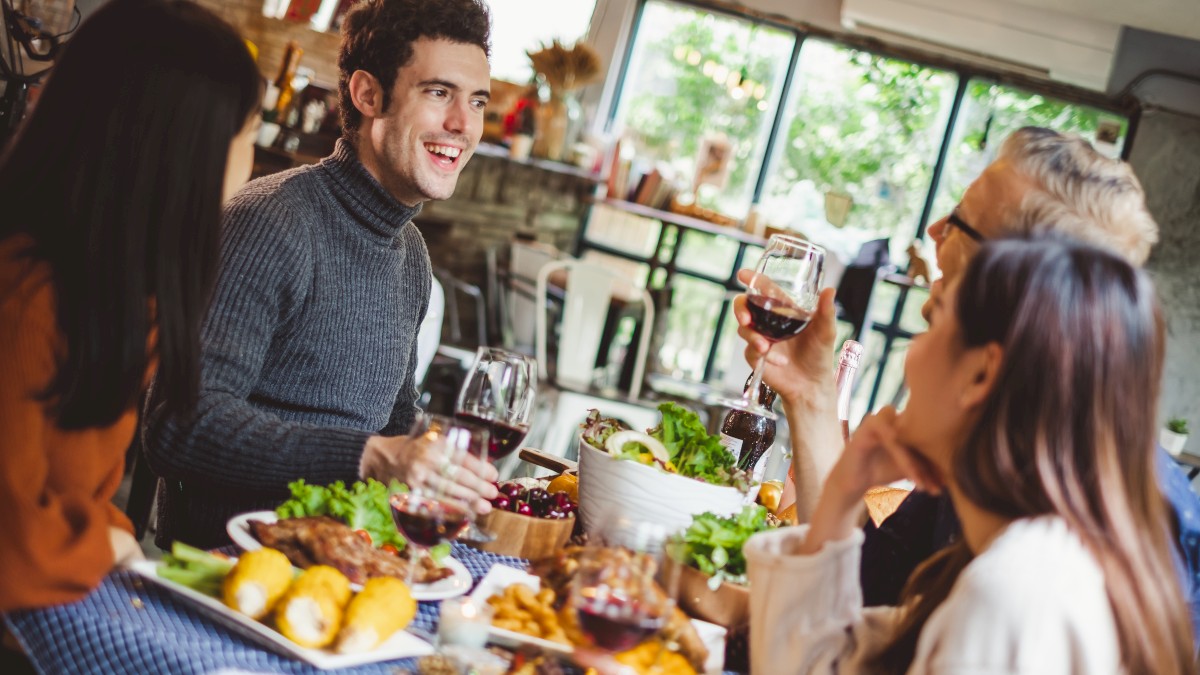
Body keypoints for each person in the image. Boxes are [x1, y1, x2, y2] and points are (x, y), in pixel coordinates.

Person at [735, 127, 1200, 622]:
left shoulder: (1099, 543)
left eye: (958, 221)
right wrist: (809, 398)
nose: (933, 231)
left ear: (1021, 274)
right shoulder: (1002, 442)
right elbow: (868, 589)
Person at [745, 237, 1195, 674]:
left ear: (981, 374)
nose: (912, 355)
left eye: (934, 324)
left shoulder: (1010, 597)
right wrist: (842, 492)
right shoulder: (1030, 560)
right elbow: (821, 664)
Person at [142, 0, 499, 549]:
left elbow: (397, 422)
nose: (462, 124)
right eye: (438, 92)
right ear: (367, 94)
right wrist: (367, 456)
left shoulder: (410, 255)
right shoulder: (272, 222)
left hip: (348, 560)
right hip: (233, 569)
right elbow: (177, 427)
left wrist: (447, 465)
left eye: (476, 101)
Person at [0, 0, 261, 612]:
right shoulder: (29, 300)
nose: (251, 163)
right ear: (183, 152)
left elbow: (72, 496)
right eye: (248, 135)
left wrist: (111, 539)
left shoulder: (115, 291)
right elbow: (11, 549)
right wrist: (112, 548)